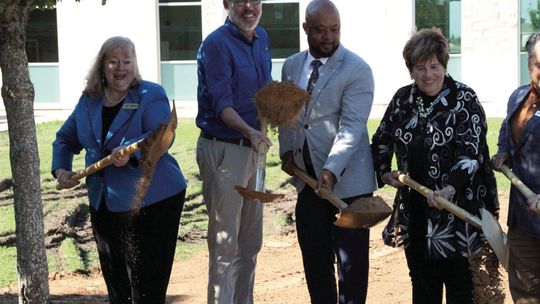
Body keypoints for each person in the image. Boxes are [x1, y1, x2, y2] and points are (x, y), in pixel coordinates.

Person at [52, 36, 186, 304]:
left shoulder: (151, 94)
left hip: (153, 200)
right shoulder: (88, 101)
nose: (120, 68)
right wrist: (61, 170)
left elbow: (160, 136)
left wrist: (131, 152)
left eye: (127, 61)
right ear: (103, 66)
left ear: (135, 65)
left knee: (146, 286)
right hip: (104, 201)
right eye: (113, 61)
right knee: (117, 285)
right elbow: (65, 139)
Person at [371, 28, 499, 304]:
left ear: (444, 65)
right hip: (416, 217)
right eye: (420, 68)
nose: (428, 75)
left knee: (461, 291)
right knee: (423, 289)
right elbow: (381, 139)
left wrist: (450, 189)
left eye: (434, 66)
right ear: (411, 70)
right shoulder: (402, 101)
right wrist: (384, 171)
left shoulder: (465, 100)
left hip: (459, 216)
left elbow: (471, 154)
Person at [278, 1, 376, 303]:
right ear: (306, 28)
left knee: (352, 269)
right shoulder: (291, 66)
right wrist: (287, 153)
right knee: (316, 265)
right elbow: (287, 114)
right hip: (308, 185)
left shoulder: (357, 69)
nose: (329, 37)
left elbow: (351, 126)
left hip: (348, 188)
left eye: (335, 30)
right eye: (320, 30)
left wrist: (331, 171)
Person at [195, 0, 272, 303]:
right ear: (227, 4)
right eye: (240, 1)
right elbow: (221, 104)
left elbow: (263, 91)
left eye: (255, 0)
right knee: (226, 245)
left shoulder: (261, 38)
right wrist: (250, 131)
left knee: (250, 243)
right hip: (225, 149)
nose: (249, 7)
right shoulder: (215, 45)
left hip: (255, 150)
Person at [491, 32, 540, 303]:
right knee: (524, 293)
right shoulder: (519, 96)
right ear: (530, 65)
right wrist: (504, 152)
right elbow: (506, 130)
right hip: (523, 218)